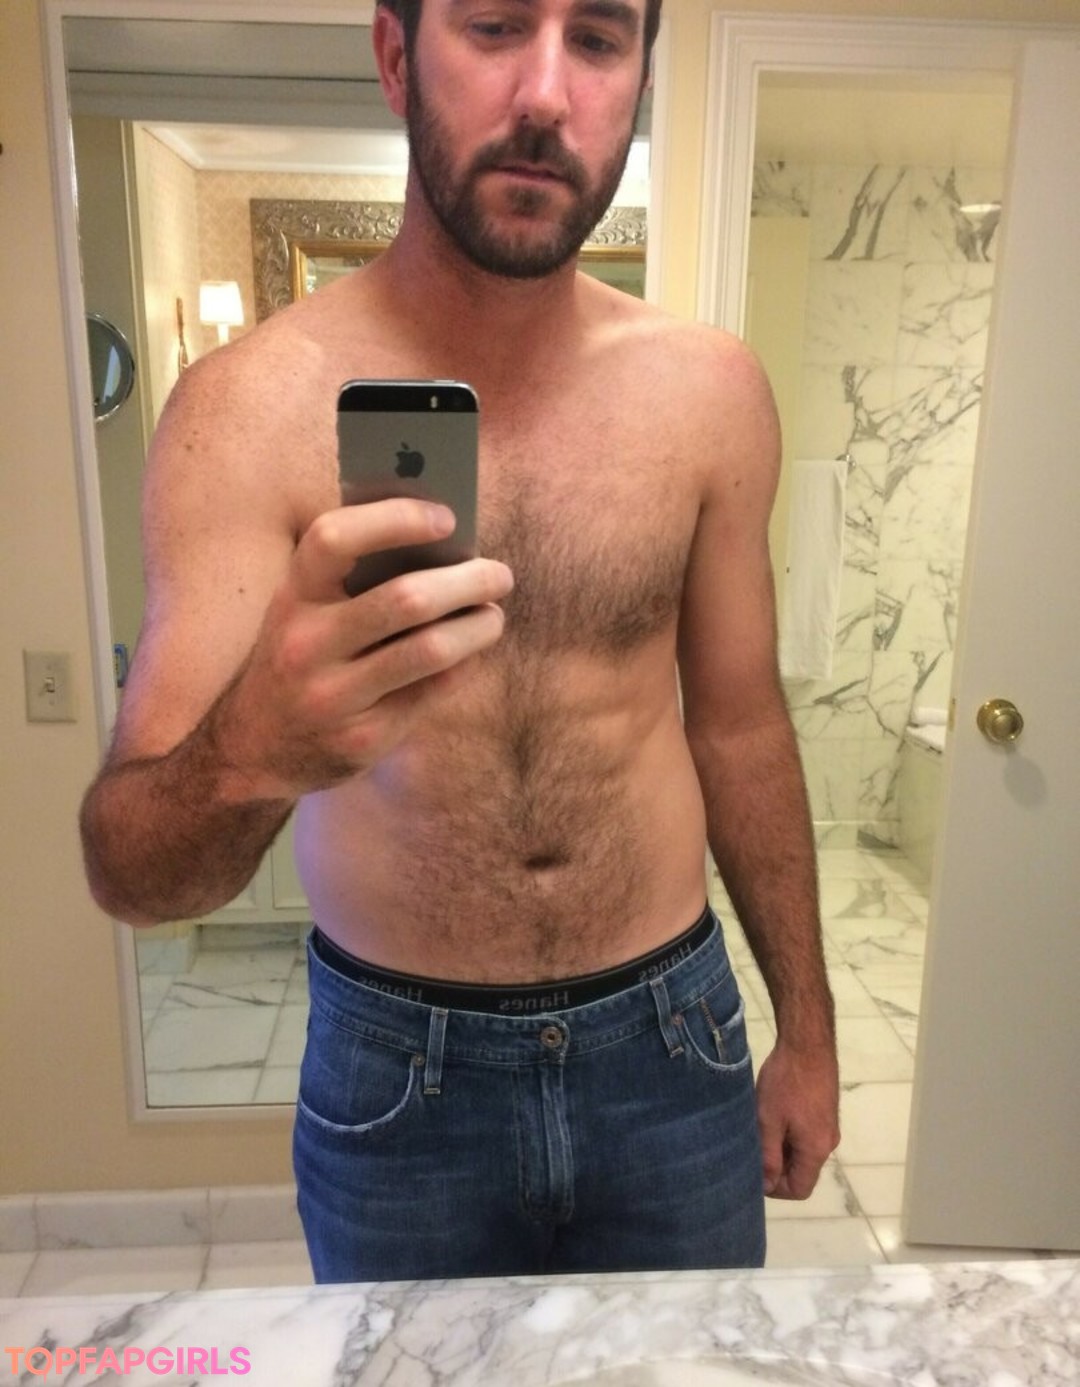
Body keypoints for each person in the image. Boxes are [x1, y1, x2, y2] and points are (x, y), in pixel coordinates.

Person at [80, 0, 839, 1281]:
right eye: (493, 25)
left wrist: (808, 1032)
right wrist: (254, 746)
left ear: (639, 81)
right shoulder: (244, 413)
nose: (545, 93)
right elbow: (132, 875)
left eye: (597, 39)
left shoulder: (711, 394)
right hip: (400, 1079)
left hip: (671, 1046)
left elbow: (741, 726)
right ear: (395, 57)